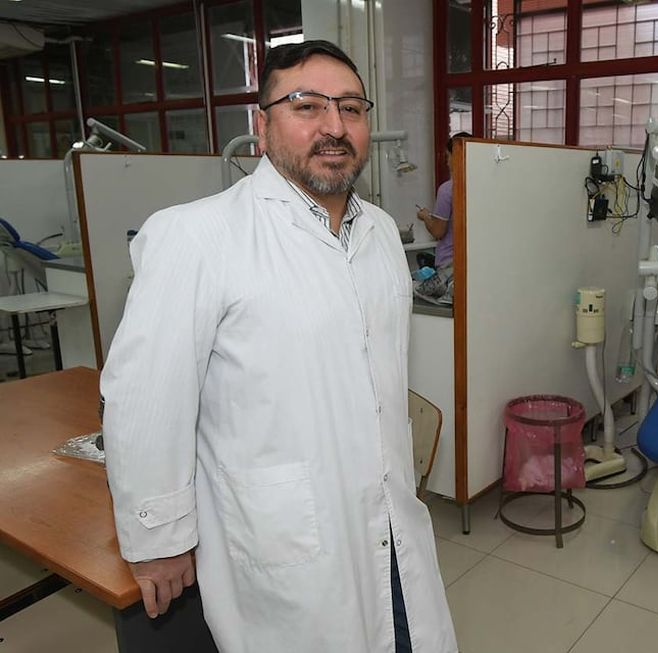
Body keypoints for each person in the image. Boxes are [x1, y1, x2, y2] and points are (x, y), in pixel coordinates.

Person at [100, 40, 458, 653]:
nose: (334, 126)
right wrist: (158, 541)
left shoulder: (378, 234)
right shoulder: (196, 237)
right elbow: (144, 403)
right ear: (261, 126)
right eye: (306, 106)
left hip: (391, 523)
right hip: (284, 541)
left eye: (351, 107)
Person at [415, 131, 471, 269]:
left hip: (450, 265)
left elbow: (438, 231)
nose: (447, 162)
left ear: (456, 156)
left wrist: (426, 217)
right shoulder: (485, 188)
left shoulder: (448, 190)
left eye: (448, 156)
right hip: (475, 261)